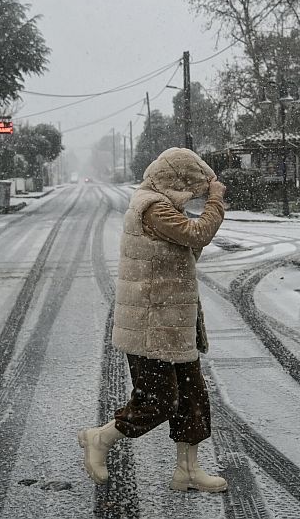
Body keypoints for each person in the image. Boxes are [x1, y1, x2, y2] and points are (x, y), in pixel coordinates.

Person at [78, 147, 228, 493]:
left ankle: (187, 471)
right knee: (157, 400)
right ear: (176, 181)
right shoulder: (152, 207)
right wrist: (215, 202)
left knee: (192, 398)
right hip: (151, 325)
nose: (197, 194)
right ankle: (100, 438)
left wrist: (203, 213)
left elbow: (187, 249)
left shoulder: (163, 206)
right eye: (193, 187)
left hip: (175, 322)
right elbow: (197, 234)